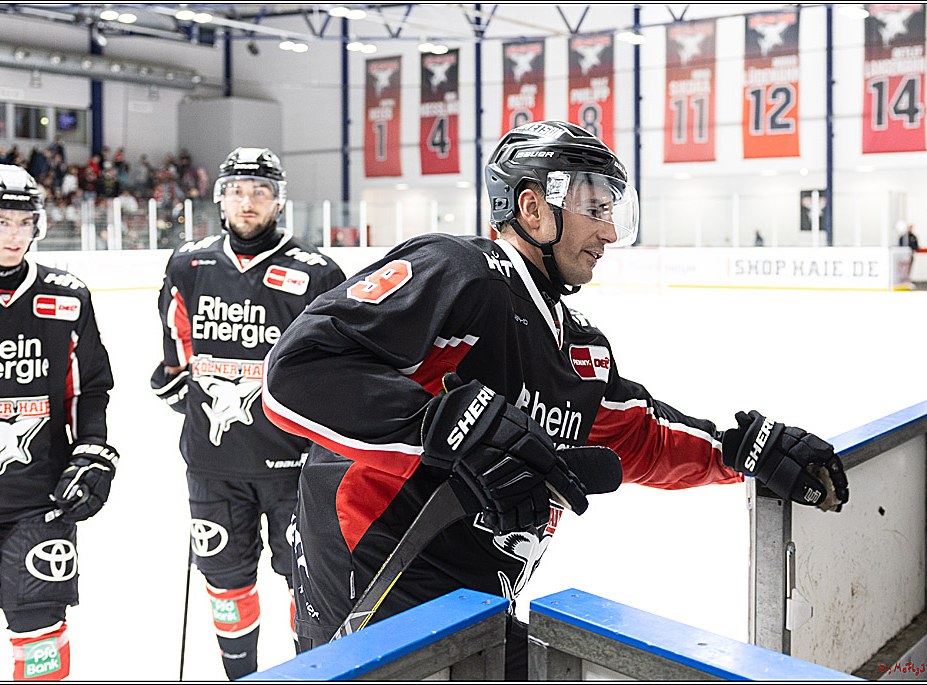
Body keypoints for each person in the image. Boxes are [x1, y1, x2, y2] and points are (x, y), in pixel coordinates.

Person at [261, 121, 850, 679]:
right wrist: (438, 425)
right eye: (596, 208)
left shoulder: (580, 345)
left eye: (614, 210)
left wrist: (737, 450)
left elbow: (639, 436)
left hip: (471, 601)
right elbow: (302, 369)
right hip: (374, 589)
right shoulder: (460, 273)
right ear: (533, 206)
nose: (611, 231)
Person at [150, 147, 346, 680]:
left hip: (295, 468)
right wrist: (175, 383)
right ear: (220, 198)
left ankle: (306, 674)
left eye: (260, 190)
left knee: (305, 586)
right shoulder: (190, 263)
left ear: (279, 200)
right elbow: (176, 342)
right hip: (214, 467)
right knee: (225, 582)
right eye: (237, 189)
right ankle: (242, 677)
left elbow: (339, 367)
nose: (248, 201)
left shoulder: (316, 272)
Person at [0, 164, 118, 681]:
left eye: (24, 222)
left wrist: (93, 450)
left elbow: (89, 388)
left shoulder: (67, 295)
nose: (14, 235)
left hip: (38, 497)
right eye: (0, 222)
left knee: (39, 635)